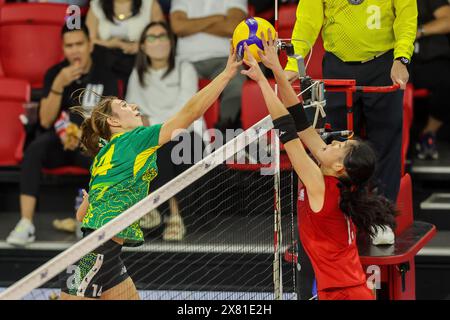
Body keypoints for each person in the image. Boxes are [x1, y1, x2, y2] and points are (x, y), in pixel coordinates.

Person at [59, 46, 242, 300]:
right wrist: (226, 74)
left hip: (104, 254)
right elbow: (189, 114)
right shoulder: (134, 139)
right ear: (114, 122)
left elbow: (82, 215)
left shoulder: (103, 154)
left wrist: (92, 200)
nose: (133, 106)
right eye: (124, 105)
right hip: (95, 256)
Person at [242, 31, 397, 300]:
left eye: (341, 148)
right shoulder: (334, 179)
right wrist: (276, 68)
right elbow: (300, 121)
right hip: (348, 291)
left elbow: (287, 131)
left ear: (340, 168)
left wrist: (261, 80)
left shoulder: (320, 184)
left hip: (344, 295)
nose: (334, 142)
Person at [284, 0, 417, 203]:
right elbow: (307, 21)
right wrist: (294, 62)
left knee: (385, 142)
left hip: (384, 64)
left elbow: (406, 16)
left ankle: (382, 219)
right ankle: (339, 210)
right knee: (336, 144)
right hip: (338, 64)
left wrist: (401, 58)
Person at [6, 23, 119, 247]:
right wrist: (58, 85)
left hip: (89, 143)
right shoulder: (54, 74)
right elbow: (47, 120)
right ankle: (25, 223)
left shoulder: (105, 76)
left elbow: (109, 121)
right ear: (63, 48)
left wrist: (83, 134)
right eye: (69, 46)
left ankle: (91, 218)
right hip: (58, 143)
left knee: (105, 158)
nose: (75, 50)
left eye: (79, 44)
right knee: (34, 150)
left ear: (89, 45)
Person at [126, 21, 205, 240]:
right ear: (142, 46)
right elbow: (133, 113)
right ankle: (148, 208)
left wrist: (153, 125)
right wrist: (148, 127)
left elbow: (186, 111)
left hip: (189, 135)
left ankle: (173, 215)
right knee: (145, 144)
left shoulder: (185, 68)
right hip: (154, 134)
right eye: (152, 37)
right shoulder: (137, 74)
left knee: (166, 145)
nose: (159, 42)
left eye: (163, 36)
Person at [170, 0, 247, 131]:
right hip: (186, 61)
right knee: (171, 85)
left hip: (225, 58)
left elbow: (233, 27)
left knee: (237, 84)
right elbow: (178, 27)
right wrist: (217, 18)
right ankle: (180, 132)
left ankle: (225, 127)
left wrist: (192, 24)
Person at [86, 0, 165, 93]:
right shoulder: (96, 4)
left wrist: (141, 46)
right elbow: (88, 40)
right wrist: (110, 44)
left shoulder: (150, 3)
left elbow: (162, 36)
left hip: (141, 60)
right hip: (106, 61)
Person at [413, 0, 450, 160]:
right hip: (389, 60)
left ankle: (428, 134)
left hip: (428, 60)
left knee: (447, 81)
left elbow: (448, 19)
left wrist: (419, 30)